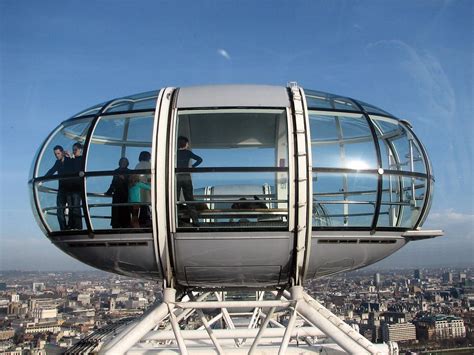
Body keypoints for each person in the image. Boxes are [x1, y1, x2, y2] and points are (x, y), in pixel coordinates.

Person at [176, 136, 202, 226]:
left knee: (175, 199)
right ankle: (195, 221)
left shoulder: (175, 153)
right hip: (186, 176)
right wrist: (193, 167)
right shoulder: (188, 153)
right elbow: (200, 159)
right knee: (189, 199)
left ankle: (176, 220)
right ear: (186, 144)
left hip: (177, 177)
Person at [45, 145, 72, 230]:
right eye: (55, 154)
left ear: (62, 152)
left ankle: (70, 226)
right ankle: (63, 228)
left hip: (70, 189)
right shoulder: (57, 162)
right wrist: (43, 178)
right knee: (59, 210)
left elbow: (75, 167)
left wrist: (70, 157)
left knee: (72, 209)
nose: (57, 155)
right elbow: (51, 170)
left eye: (58, 153)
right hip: (62, 189)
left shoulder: (69, 160)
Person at [105, 157, 131, 228]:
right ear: (120, 163)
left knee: (124, 211)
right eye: (122, 162)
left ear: (127, 163)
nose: (123, 163)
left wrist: (124, 178)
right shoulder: (116, 171)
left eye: (125, 162)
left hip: (125, 194)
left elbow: (131, 183)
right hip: (117, 194)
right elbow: (113, 183)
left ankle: (125, 225)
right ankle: (116, 225)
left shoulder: (129, 172)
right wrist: (109, 191)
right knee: (116, 211)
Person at [67, 142, 84, 230]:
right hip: (70, 187)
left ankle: (77, 226)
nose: (74, 151)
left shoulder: (81, 159)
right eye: (73, 150)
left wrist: (71, 159)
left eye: (75, 150)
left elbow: (77, 170)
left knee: (76, 207)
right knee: (71, 207)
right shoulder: (72, 160)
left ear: (80, 150)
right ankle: (71, 225)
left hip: (77, 187)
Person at [134, 151, 151, 227]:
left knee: (142, 204)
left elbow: (135, 177)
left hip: (139, 188)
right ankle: (146, 220)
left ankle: (142, 220)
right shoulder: (149, 165)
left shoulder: (138, 165)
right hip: (147, 187)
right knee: (147, 203)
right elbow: (150, 178)